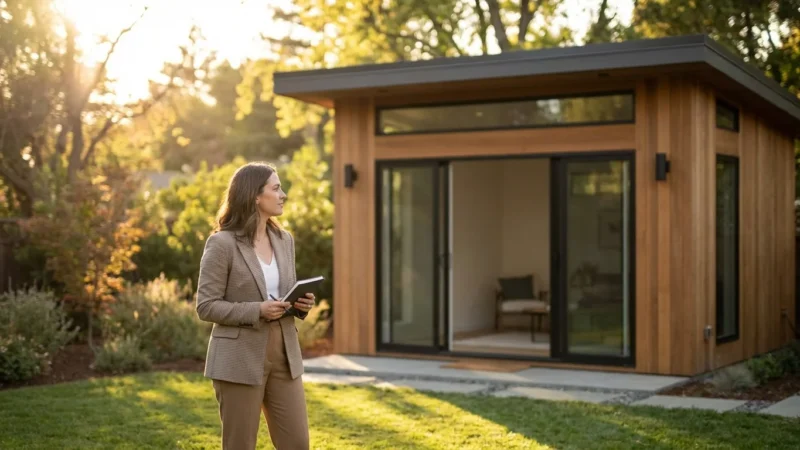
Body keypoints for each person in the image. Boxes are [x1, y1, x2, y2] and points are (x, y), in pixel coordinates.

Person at [196, 162, 315, 450]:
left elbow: (282, 292)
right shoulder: (222, 244)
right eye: (276, 188)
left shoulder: (284, 240)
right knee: (240, 445)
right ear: (254, 197)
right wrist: (256, 310)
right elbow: (206, 305)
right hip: (239, 357)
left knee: (297, 443)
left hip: (284, 354)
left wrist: (300, 304)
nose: (283, 194)